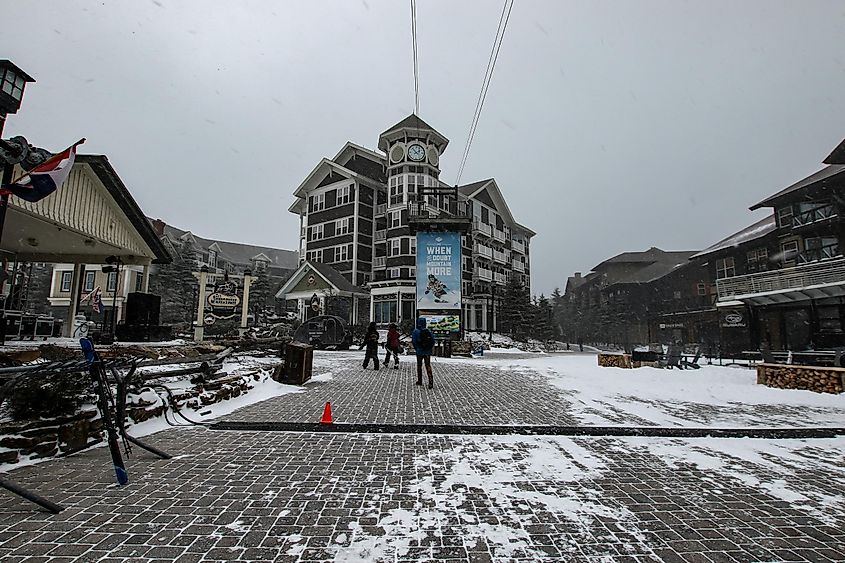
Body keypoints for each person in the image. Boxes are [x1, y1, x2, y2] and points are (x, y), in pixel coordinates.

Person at [411, 317, 435, 388]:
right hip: (427, 352)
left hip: (419, 351)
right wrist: (429, 348)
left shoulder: (416, 331)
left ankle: (420, 380)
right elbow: (433, 341)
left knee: (419, 366)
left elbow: (414, 342)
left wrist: (417, 348)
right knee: (428, 365)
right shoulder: (428, 331)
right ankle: (430, 381)